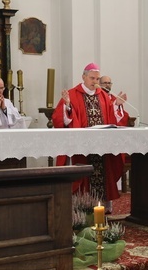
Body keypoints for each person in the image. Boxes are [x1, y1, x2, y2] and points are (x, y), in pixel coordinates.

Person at [52, 63, 125, 209]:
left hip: (101, 147)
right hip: (82, 147)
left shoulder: (104, 96)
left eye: (97, 79)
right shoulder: (72, 94)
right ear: (83, 77)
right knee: (83, 175)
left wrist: (116, 105)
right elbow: (59, 120)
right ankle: (81, 208)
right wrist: (67, 106)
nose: (95, 82)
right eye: (92, 78)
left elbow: (112, 119)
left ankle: (102, 208)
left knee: (103, 173)